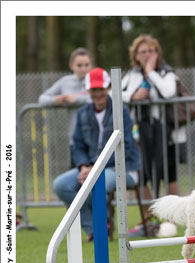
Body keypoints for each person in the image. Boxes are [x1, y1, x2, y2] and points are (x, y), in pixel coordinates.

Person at [53, 68, 141, 241]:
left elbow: (126, 147)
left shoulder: (120, 110)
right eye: (94, 90)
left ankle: (104, 222)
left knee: (95, 184)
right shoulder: (83, 113)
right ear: (88, 90)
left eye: (101, 89)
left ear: (108, 88)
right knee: (60, 185)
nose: (98, 93)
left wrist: (95, 168)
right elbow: (77, 145)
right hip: (90, 168)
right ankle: (93, 228)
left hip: (123, 167)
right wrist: (84, 166)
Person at [122, 34, 178, 237]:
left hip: (164, 131)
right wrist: (132, 96)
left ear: (157, 53)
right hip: (139, 134)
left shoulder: (166, 72)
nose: (147, 54)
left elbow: (169, 92)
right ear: (135, 55)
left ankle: (173, 219)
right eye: (142, 51)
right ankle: (148, 220)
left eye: (151, 51)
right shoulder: (131, 76)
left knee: (168, 174)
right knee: (141, 175)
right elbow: (114, 93)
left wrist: (150, 72)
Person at [38, 48, 94, 168]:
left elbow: (106, 97)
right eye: (79, 65)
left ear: (91, 65)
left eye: (86, 65)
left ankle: (100, 188)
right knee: (78, 178)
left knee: (99, 178)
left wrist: (77, 99)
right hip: (76, 140)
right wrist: (55, 100)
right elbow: (42, 98)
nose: (83, 68)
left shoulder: (96, 79)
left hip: (97, 139)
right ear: (71, 65)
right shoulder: (64, 82)